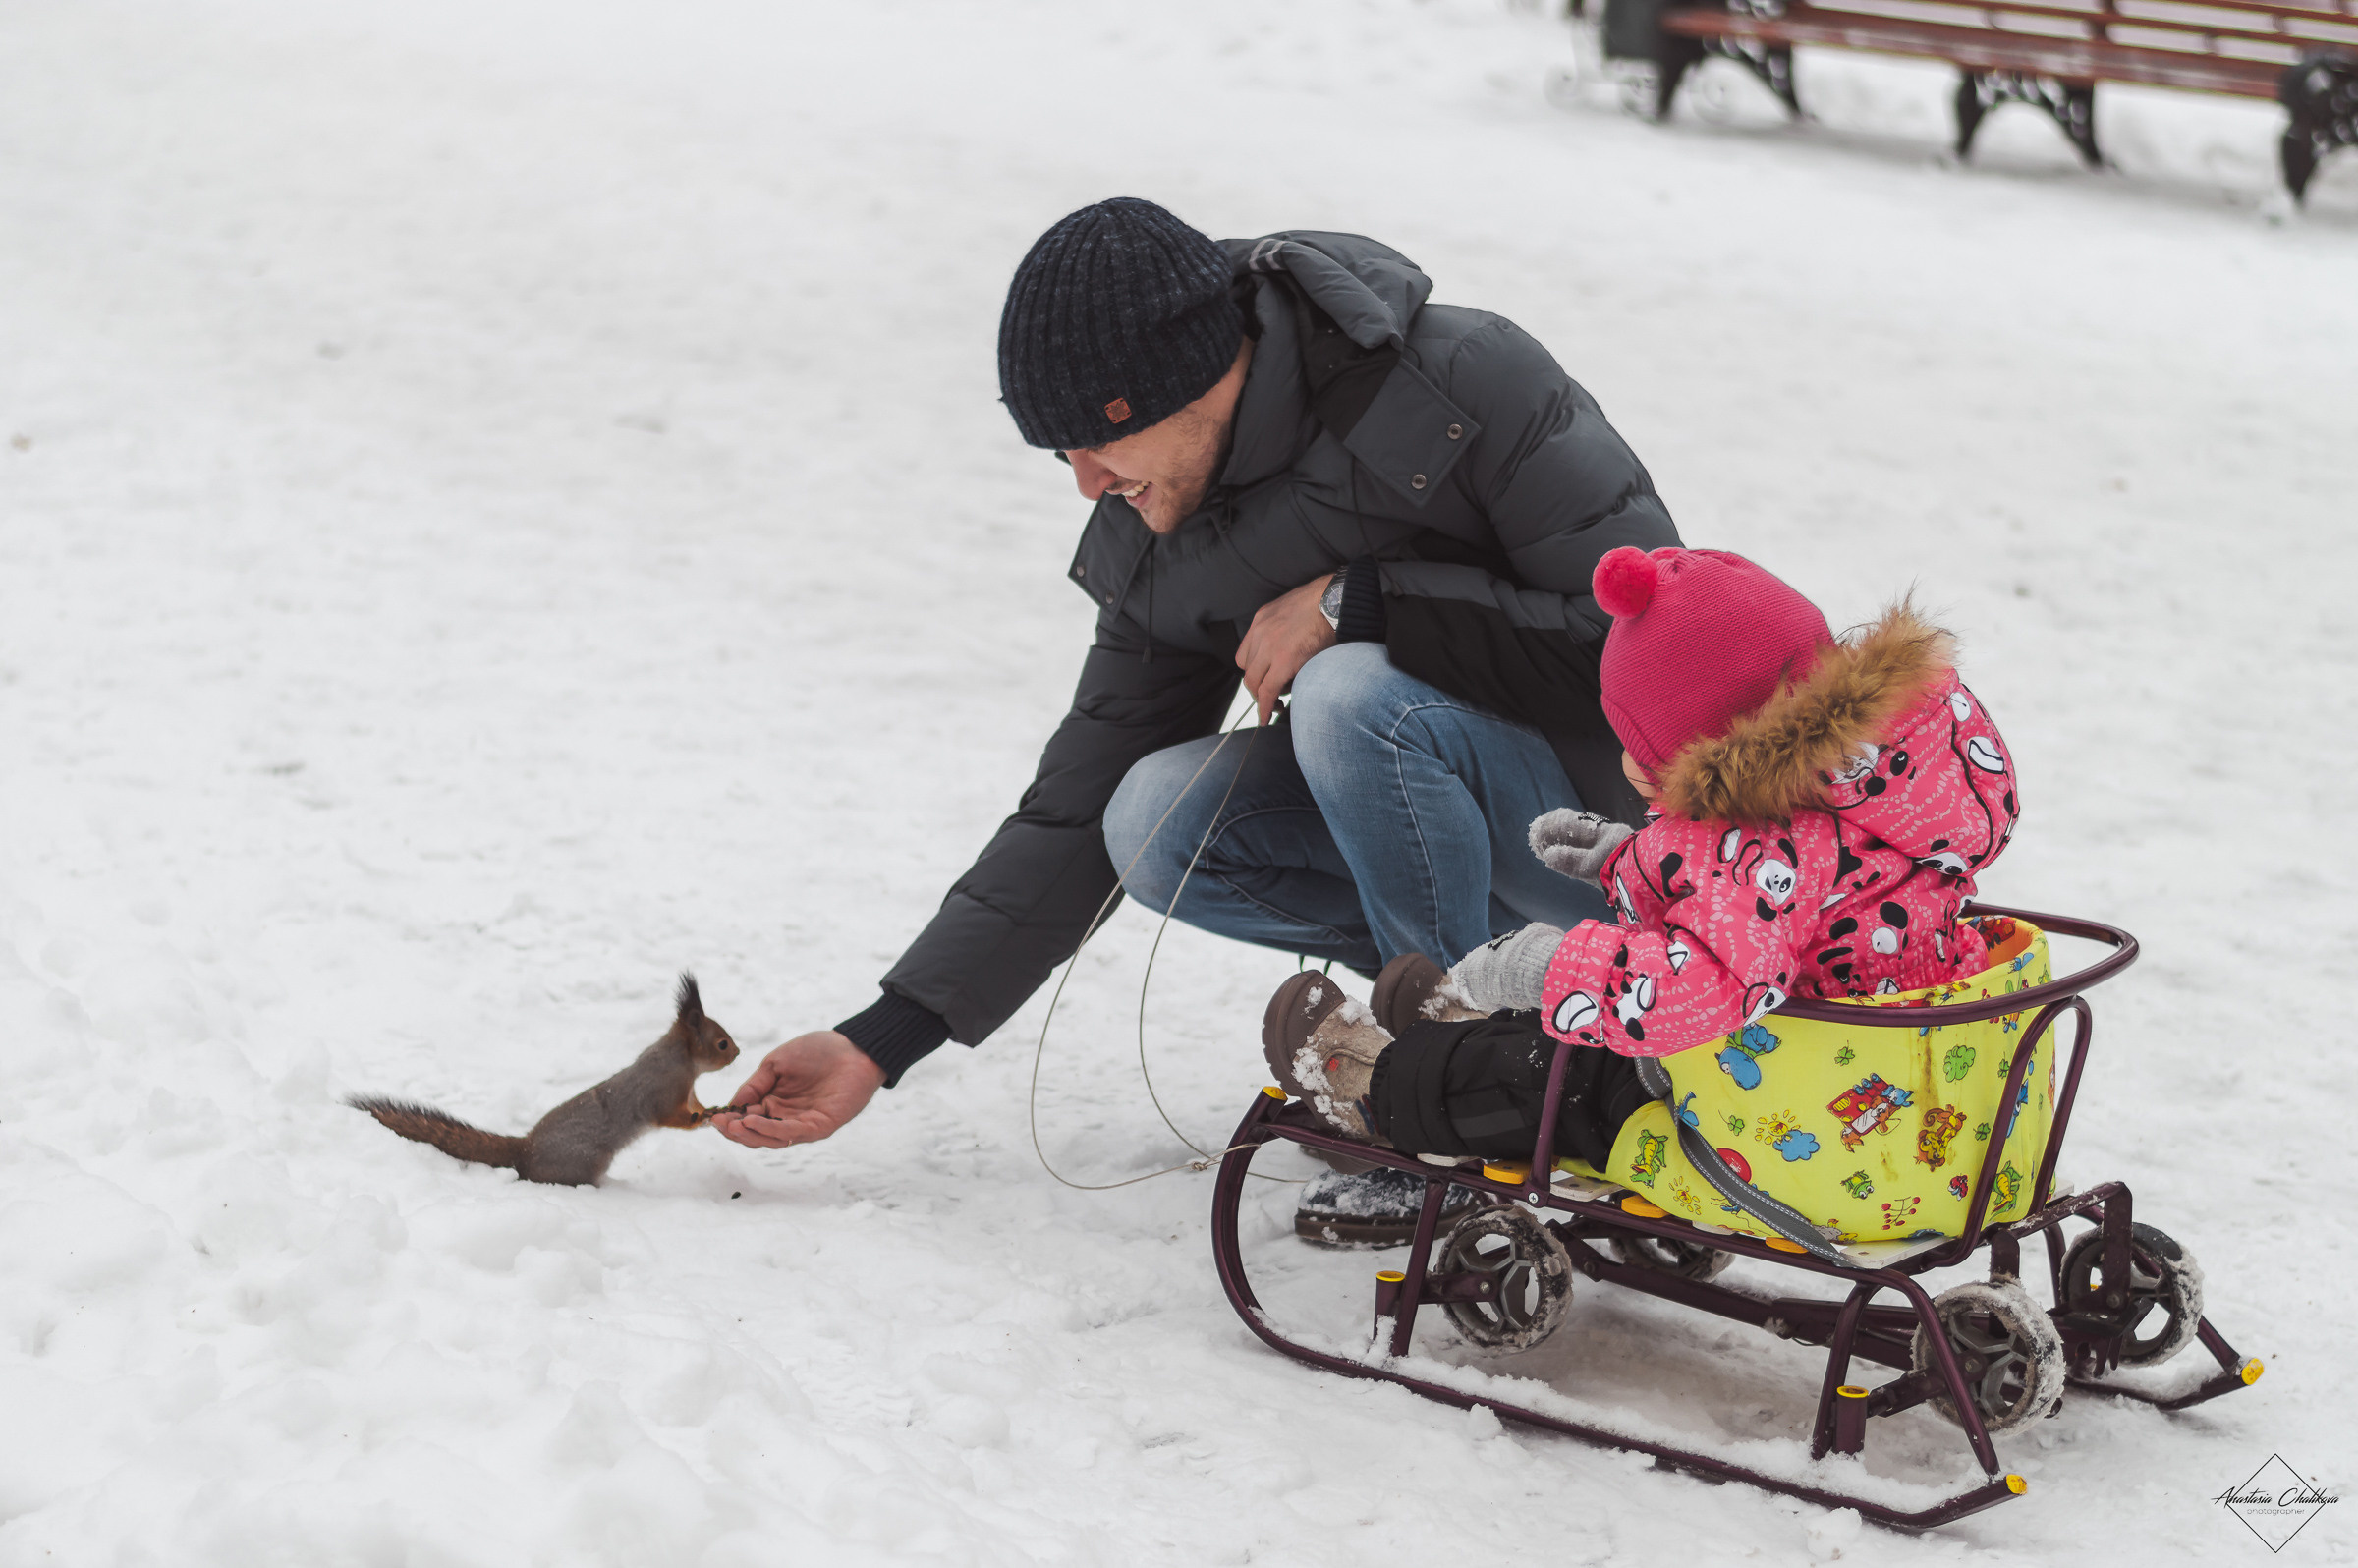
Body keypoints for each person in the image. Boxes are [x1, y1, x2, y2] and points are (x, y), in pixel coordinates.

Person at [714, 198, 1678, 1246]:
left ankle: (1443, 1097)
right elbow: (1076, 803)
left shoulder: (1462, 380)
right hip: (1466, 854)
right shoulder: (1163, 525)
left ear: (1192, 380)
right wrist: (883, 1038)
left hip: (1614, 853)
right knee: (1151, 817)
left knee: (1356, 693)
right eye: (1061, 457)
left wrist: (1366, 603)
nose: (1087, 483)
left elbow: (1644, 635)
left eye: (1097, 441)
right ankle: (1508, 1037)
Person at [1262, 545, 2025, 1198]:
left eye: (1641, 744)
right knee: (1592, 1027)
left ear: (1709, 746)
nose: (1627, 761)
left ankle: (1379, 1088)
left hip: (1779, 1112)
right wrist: (1630, 861)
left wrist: (1550, 964)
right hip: (1893, 1079)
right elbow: (1770, 904)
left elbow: (1707, 977)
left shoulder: (1769, 841)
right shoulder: (1878, 788)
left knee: (1557, 1076)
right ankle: (1451, 1041)